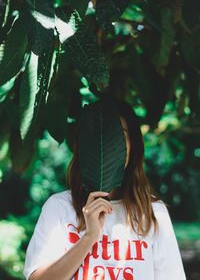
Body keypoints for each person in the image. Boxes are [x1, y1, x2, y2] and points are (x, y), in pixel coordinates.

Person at [23, 98, 186, 280]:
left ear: (133, 146)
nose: (109, 146)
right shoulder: (59, 207)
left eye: (119, 135)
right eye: (103, 137)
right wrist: (89, 237)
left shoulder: (153, 212)